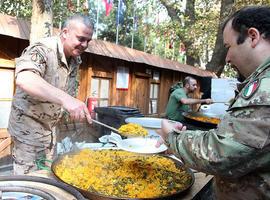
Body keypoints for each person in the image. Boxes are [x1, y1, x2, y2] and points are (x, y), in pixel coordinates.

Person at [157, 6, 270, 200]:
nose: (227, 58)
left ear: (253, 36)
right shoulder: (178, 91)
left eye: (228, 47)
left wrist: (172, 138)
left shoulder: (266, 85)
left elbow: (223, 153)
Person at [8, 14, 93, 175]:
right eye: (81, 39)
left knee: (47, 178)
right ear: (65, 32)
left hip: (50, 132)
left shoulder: (75, 59)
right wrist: (67, 100)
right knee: (30, 185)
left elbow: (60, 91)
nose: (85, 45)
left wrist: (75, 107)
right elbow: (24, 78)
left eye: (88, 41)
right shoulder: (42, 49)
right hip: (28, 132)